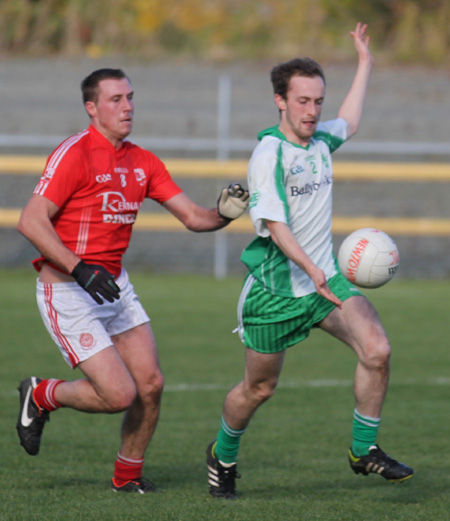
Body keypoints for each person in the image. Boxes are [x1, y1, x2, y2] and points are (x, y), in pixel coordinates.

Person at [16, 68, 249, 494]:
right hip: (67, 290)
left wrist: (225, 213)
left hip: (112, 287)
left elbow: (195, 218)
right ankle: (43, 394)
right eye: (116, 99)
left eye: (130, 97)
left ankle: (127, 477)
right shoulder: (75, 153)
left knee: (151, 385)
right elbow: (30, 221)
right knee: (120, 394)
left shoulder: (143, 161)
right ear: (92, 108)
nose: (127, 107)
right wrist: (80, 268)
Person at [206, 23, 414, 499]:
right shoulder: (269, 154)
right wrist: (312, 267)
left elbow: (352, 121)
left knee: (377, 349)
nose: (312, 111)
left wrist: (365, 62)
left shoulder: (321, 141)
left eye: (318, 101)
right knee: (258, 390)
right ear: (280, 100)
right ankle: (223, 454)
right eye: (303, 101)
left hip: (325, 284)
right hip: (275, 293)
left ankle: (364, 450)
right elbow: (275, 227)